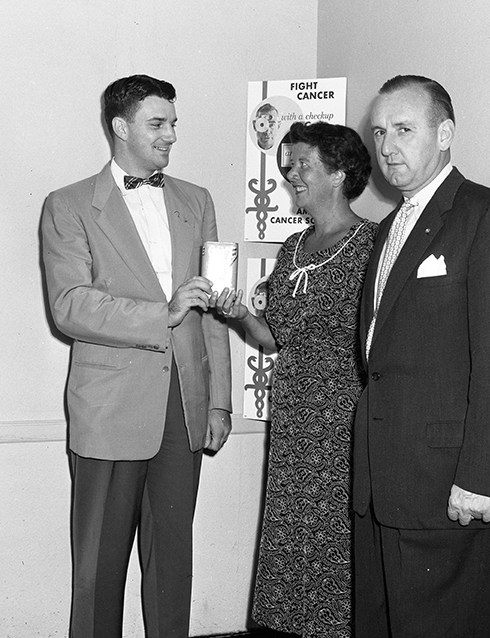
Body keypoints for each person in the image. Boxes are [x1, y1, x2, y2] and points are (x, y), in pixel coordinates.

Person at [40, 74, 233, 638]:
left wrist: (218, 403)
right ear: (121, 128)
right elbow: (70, 305)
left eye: (173, 123)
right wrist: (161, 315)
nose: (172, 134)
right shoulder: (69, 205)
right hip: (109, 410)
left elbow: (213, 310)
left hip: (184, 407)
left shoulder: (197, 201)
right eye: (158, 123)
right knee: (99, 569)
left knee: (173, 562)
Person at [353, 74, 490, 638]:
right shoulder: (389, 227)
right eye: (381, 131)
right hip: (382, 487)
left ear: (445, 133)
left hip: (451, 490)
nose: (387, 146)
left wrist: (481, 477)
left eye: (404, 129)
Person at [211, 121, 377, 638]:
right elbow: (272, 337)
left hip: (345, 419)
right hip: (293, 418)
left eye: (303, 163)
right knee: (291, 532)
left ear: (340, 172)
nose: (290, 173)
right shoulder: (293, 246)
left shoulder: (373, 245)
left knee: (335, 535)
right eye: (289, 164)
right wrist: (237, 312)